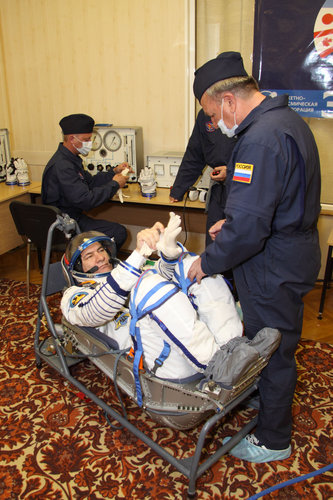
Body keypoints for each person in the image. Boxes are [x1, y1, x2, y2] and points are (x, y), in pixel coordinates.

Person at [187, 51, 321, 463]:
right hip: (291, 248)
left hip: (273, 263)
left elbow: (251, 227)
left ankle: (273, 439)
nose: (215, 124)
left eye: (213, 114)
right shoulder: (286, 121)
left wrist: (206, 262)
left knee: (272, 348)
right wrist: (232, 226)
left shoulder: (258, 140)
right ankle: (263, 402)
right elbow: (276, 202)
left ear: (228, 101)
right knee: (272, 338)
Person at [60, 212, 243, 382]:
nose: (100, 258)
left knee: (192, 266)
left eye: (101, 250)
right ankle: (218, 365)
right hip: (156, 359)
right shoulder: (75, 295)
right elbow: (96, 311)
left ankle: (233, 347)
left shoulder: (125, 271)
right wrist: (137, 255)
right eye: (89, 256)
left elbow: (162, 274)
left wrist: (169, 255)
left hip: (186, 343)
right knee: (148, 285)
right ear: (77, 267)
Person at [42, 113, 131, 250]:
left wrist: (114, 172)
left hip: (71, 219)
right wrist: (115, 184)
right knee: (118, 232)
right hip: (66, 225)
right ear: (72, 139)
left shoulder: (70, 159)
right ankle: (91, 266)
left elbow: (91, 182)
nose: (90, 143)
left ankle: (91, 262)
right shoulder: (62, 166)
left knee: (115, 230)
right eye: (86, 139)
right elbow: (86, 200)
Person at [169, 108, 236, 246]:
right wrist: (178, 189)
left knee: (237, 245)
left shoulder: (246, 113)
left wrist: (231, 172)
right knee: (214, 242)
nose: (214, 121)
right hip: (218, 191)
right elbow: (195, 153)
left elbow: (259, 165)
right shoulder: (205, 113)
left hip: (242, 192)